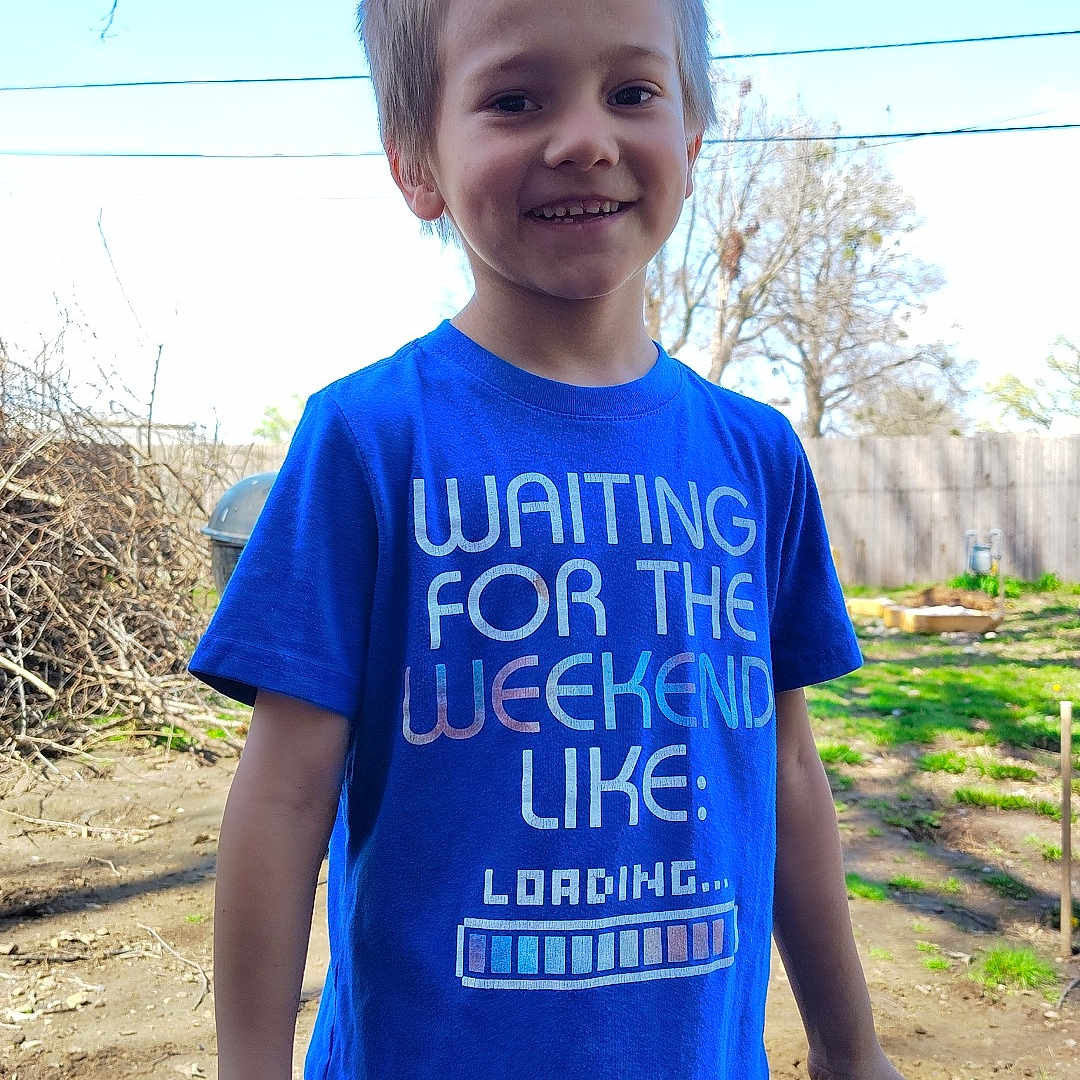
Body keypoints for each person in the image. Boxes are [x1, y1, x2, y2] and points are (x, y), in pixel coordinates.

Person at [189, 0, 906, 1077]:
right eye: (516, 99)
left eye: (633, 92)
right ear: (417, 165)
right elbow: (284, 794)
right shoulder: (370, 440)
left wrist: (849, 1050)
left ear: (694, 136)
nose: (584, 138)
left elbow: (790, 771)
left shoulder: (756, 455)